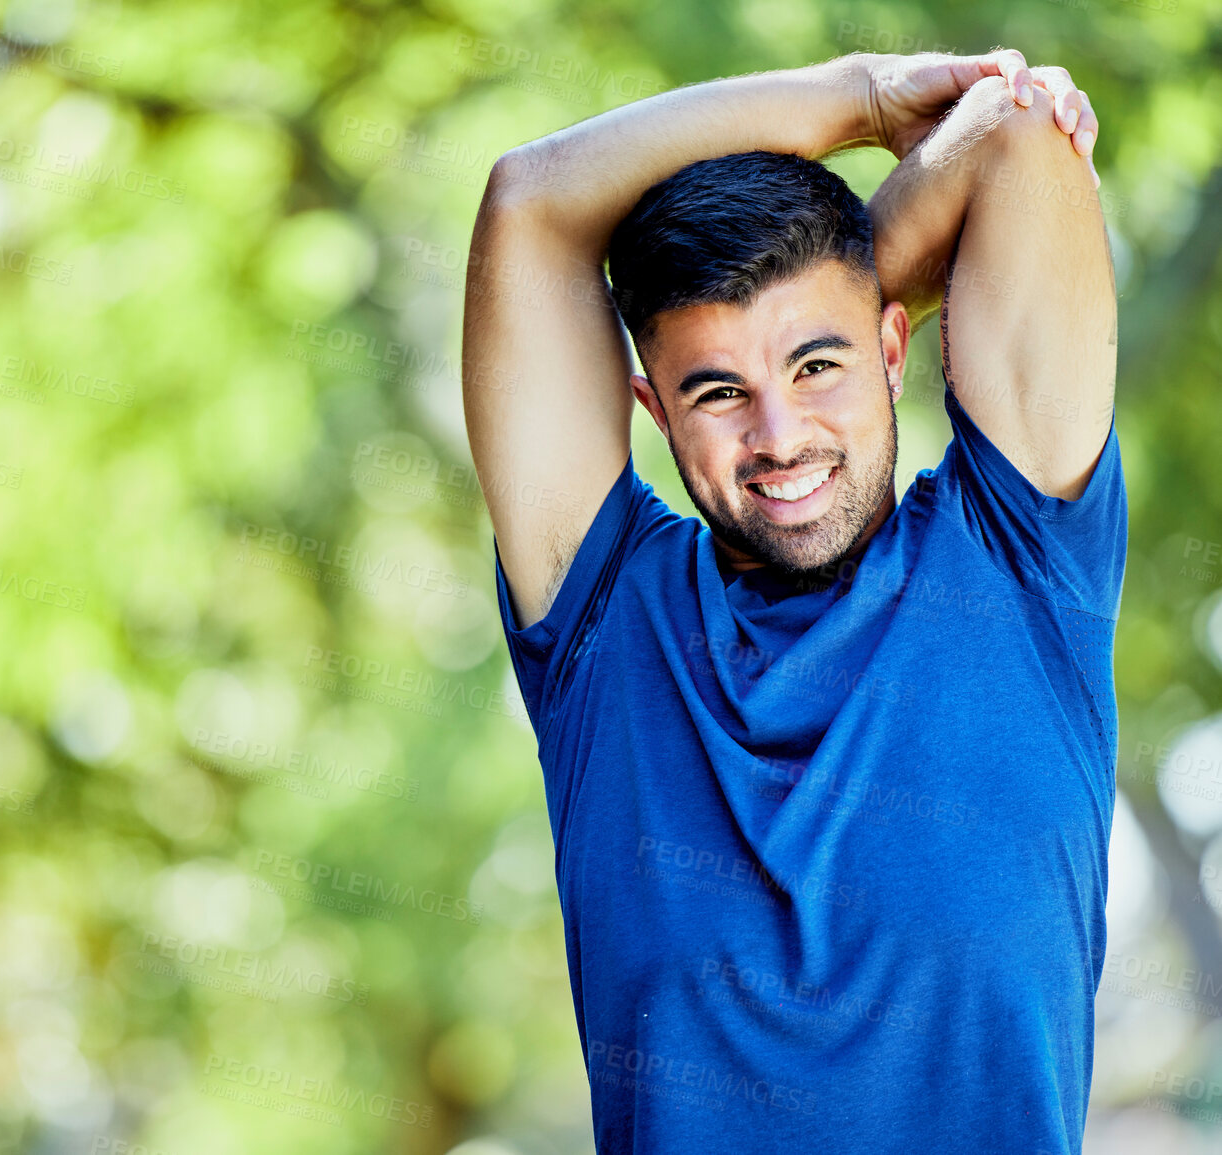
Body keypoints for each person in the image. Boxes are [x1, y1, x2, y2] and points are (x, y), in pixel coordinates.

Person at [461, 48, 1122, 1153]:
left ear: (893, 344)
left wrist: (846, 279)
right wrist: (858, 100)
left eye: (819, 367)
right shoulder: (602, 622)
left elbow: (1014, 133)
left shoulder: (1019, 567)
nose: (778, 438)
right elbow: (531, 202)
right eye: (718, 390)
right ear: (653, 414)